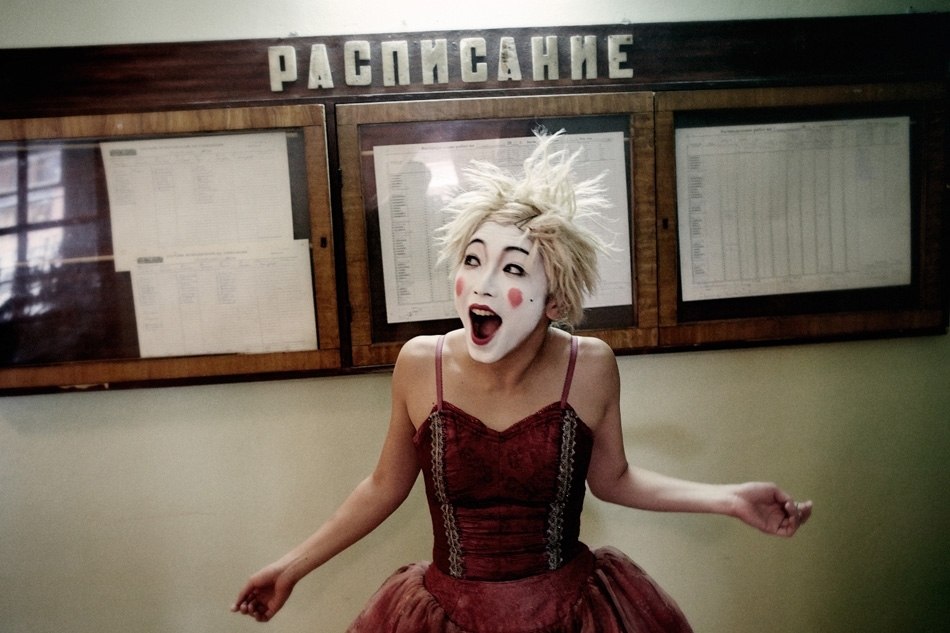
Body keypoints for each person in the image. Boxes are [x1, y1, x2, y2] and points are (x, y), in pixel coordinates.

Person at [232, 132, 812, 632]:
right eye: (473, 260)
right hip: (447, 611)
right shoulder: (419, 364)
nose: (483, 283)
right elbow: (384, 486)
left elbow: (614, 479)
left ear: (554, 299)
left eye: (512, 267)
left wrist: (729, 499)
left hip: (572, 611)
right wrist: (290, 568)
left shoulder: (590, 365)